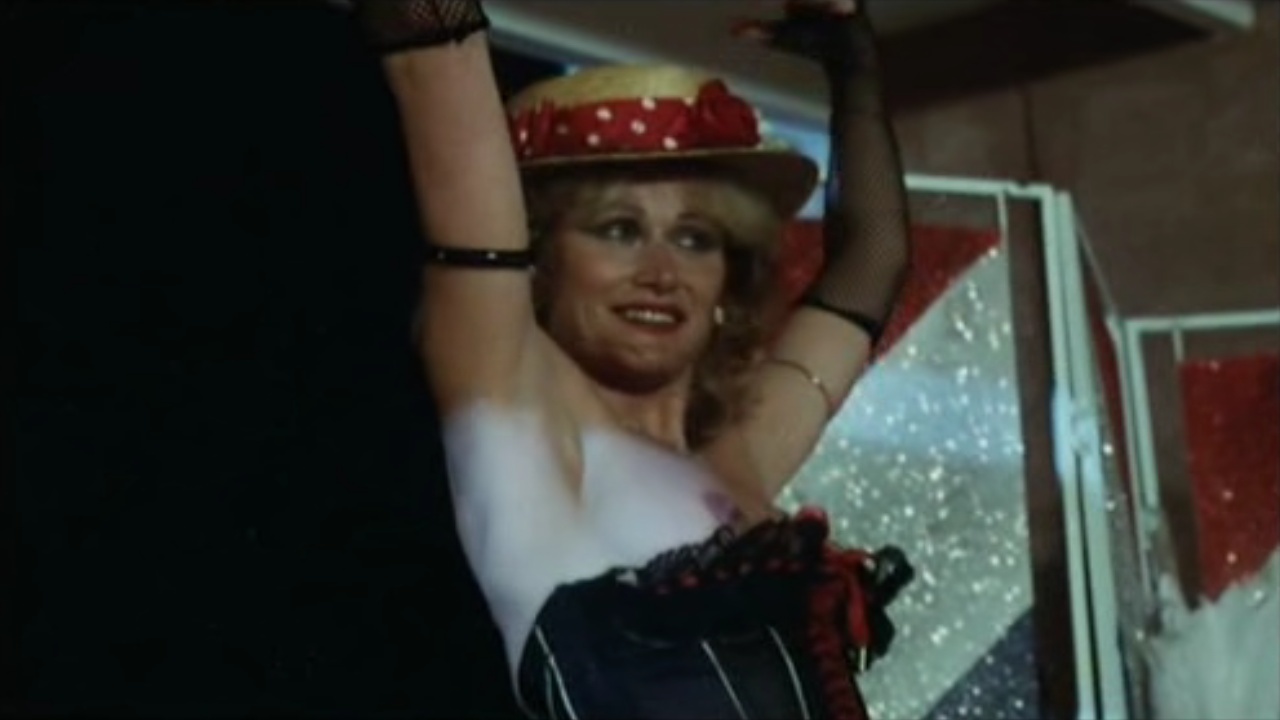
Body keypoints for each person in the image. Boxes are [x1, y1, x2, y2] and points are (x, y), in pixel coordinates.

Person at [354, 0, 913, 717]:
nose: (661, 272)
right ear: (538, 261)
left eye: (696, 239)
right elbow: (438, 61)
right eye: (618, 230)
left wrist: (856, 70)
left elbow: (872, 264)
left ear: (728, 281)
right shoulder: (526, 426)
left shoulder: (742, 453)